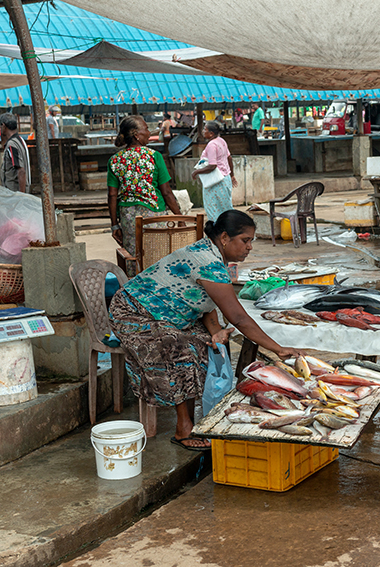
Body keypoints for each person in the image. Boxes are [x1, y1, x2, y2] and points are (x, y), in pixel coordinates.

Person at [109, 210, 304, 451]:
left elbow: (206, 304)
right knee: (179, 346)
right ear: (224, 238)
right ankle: (183, 429)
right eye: (245, 240)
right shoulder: (207, 261)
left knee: (206, 343)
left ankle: (197, 416)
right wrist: (278, 348)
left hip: (164, 315)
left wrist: (215, 331)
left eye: (251, 240)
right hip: (132, 313)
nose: (250, 247)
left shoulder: (213, 256)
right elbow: (239, 318)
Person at [107, 115, 182, 276]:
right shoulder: (154, 156)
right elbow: (167, 192)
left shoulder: (115, 160)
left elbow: (112, 195)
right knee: (157, 257)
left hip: (128, 218)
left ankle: (136, 292)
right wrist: (180, 217)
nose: (149, 133)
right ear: (136, 134)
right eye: (146, 129)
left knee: (134, 258)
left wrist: (114, 225)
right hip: (154, 216)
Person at [192, 120, 238, 221]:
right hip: (225, 179)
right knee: (225, 208)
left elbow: (212, 166)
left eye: (205, 130)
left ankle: (217, 232)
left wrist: (196, 172)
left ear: (211, 133)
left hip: (216, 181)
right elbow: (229, 158)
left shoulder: (212, 145)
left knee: (213, 209)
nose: (203, 131)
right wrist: (232, 175)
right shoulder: (221, 141)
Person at [0, 113, 30, 193]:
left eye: (0, 126)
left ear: (4, 126)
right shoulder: (20, 140)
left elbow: (21, 171)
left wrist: (21, 196)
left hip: (14, 193)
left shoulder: (11, 145)